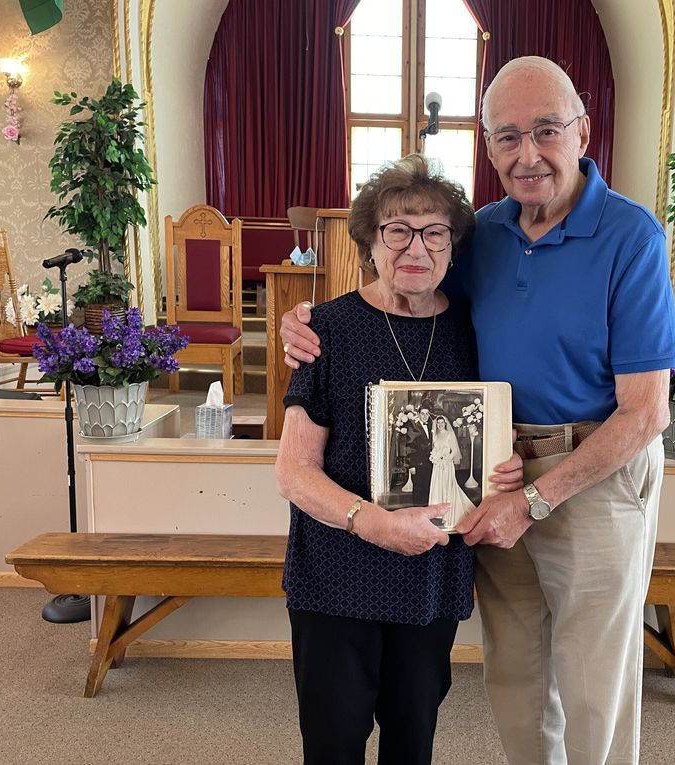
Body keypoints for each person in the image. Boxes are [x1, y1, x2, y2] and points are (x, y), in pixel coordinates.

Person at [281, 56, 675, 764]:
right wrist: (306, 321)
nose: (528, 154)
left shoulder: (632, 237)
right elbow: (407, 280)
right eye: (507, 136)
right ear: (489, 146)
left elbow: (647, 412)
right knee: (516, 672)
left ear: (582, 132)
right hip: (493, 474)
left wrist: (533, 500)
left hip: (589, 474)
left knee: (595, 683)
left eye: (546, 131)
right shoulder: (486, 234)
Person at [273, 153, 522, 765]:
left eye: (435, 231)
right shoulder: (324, 329)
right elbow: (294, 471)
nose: (417, 246)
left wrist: (503, 469)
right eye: (398, 229)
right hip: (336, 571)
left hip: (429, 573)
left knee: (413, 740)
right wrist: (372, 522)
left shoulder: (474, 329)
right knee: (333, 745)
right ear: (371, 242)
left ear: (452, 245)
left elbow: (488, 433)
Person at [427, 413, 475, 530]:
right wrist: (436, 457)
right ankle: (438, 511)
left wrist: (446, 459)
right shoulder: (436, 436)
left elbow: (454, 451)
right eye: (438, 423)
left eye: (442, 423)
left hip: (447, 465)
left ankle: (448, 511)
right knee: (438, 486)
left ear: (445, 423)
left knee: (448, 486)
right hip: (438, 466)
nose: (440, 425)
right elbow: (434, 450)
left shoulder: (450, 434)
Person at [406, 403, 434, 505]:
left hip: (430, 463)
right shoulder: (413, 426)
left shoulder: (432, 425)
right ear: (418, 414)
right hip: (418, 464)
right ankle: (417, 510)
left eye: (427, 414)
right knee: (418, 488)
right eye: (422, 413)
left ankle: (426, 510)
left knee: (427, 487)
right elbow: (410, 446)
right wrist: (411, 465)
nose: (425, 416)